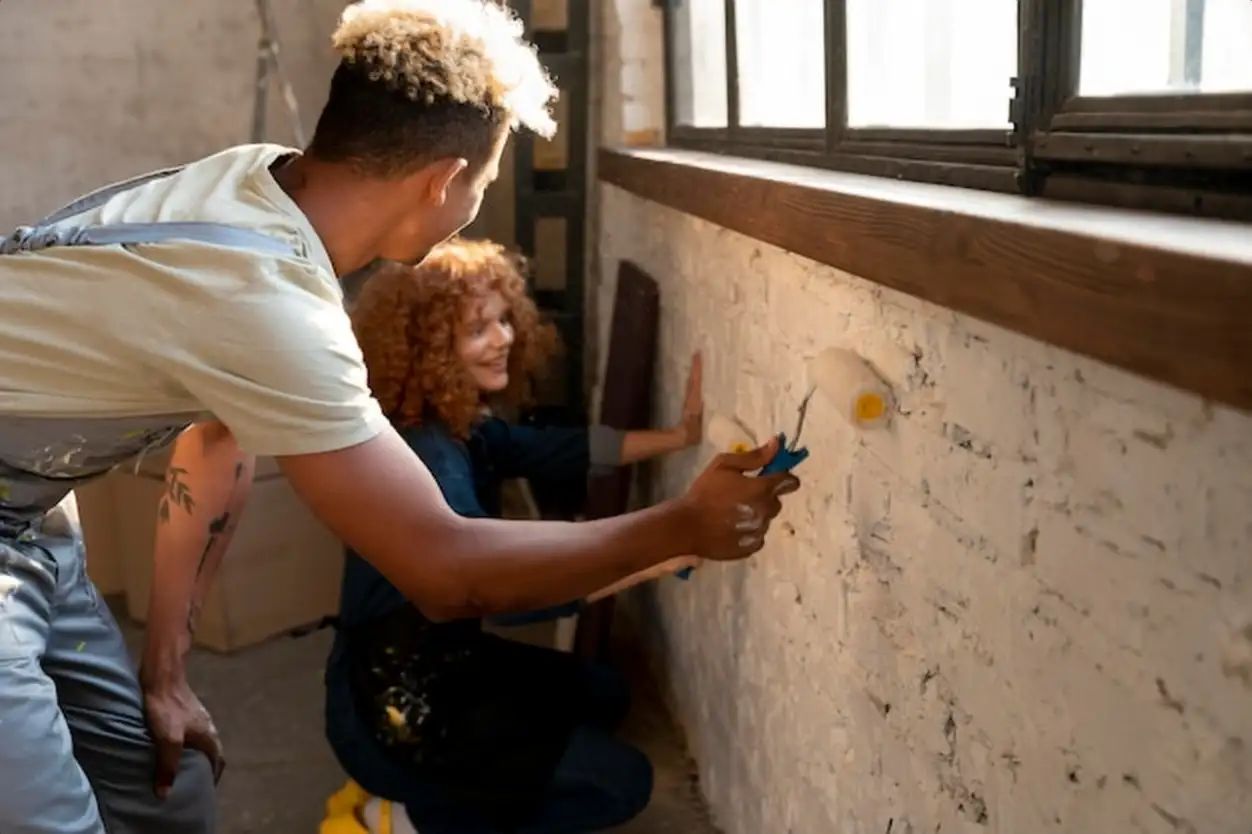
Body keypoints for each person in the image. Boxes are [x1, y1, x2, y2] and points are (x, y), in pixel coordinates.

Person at [0, 2, 800, 833]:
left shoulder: (258, 180)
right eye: (482, 188)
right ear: (443, 180)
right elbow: (447, 574)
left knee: (170, 793)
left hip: (32, 511)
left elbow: (216, 437)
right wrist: (683, 525)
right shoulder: (273, 304)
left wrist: (166, 676)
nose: (476, 208)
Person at [324, 242, 704, 834]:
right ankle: (408, 820)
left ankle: (447, 799)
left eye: (504, 319)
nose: (502, 337)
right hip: (395, 705)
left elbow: (560, 449)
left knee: (603, 694)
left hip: (439, 661)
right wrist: (645, 555)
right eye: (478, 328)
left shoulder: (459, 426)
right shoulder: (428, 457)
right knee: (622, 783)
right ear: (427, 349)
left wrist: (678, 438)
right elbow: (498, 590)